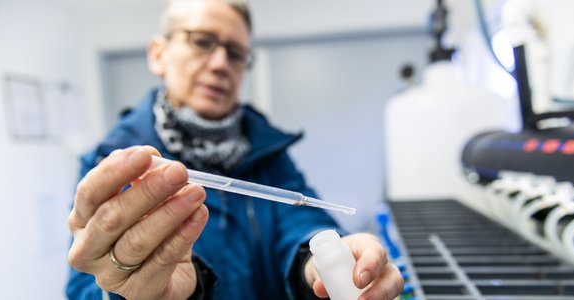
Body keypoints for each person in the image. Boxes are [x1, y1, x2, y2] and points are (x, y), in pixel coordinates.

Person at [66, 0, 404, 299]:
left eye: (236, 53)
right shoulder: (115, 165)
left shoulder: (269, 154)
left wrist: (326, 261)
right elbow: (84, 286)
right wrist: (131, 289)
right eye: (201, 41)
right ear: (159, 54)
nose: (220, 63)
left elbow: (301, 221)